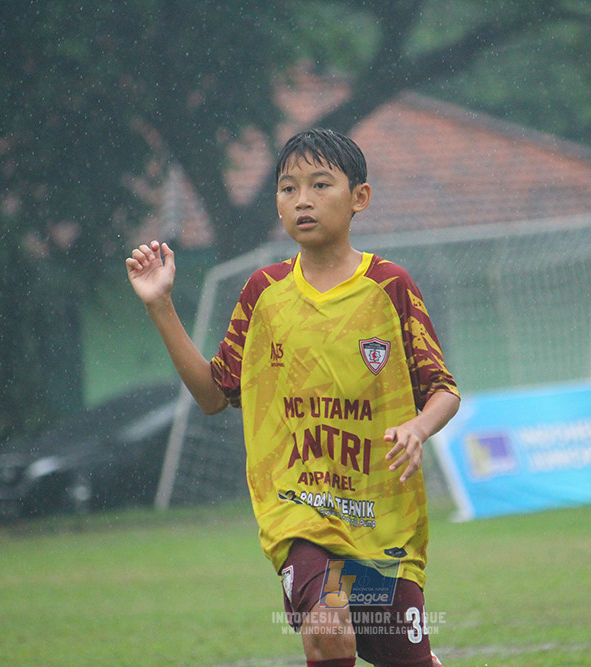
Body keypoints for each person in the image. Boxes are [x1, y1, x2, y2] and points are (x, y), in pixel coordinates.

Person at [126, 128, 460, 667]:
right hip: (298, 509)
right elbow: (215, 394)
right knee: (327, 628)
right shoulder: (263, 293)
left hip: (381, 516)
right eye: (287, 188)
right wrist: (160, 306)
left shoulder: (390, 286)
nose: (301, 200)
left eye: (320, 184)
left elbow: (443, 390)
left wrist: (417, 428)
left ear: (360, 199)